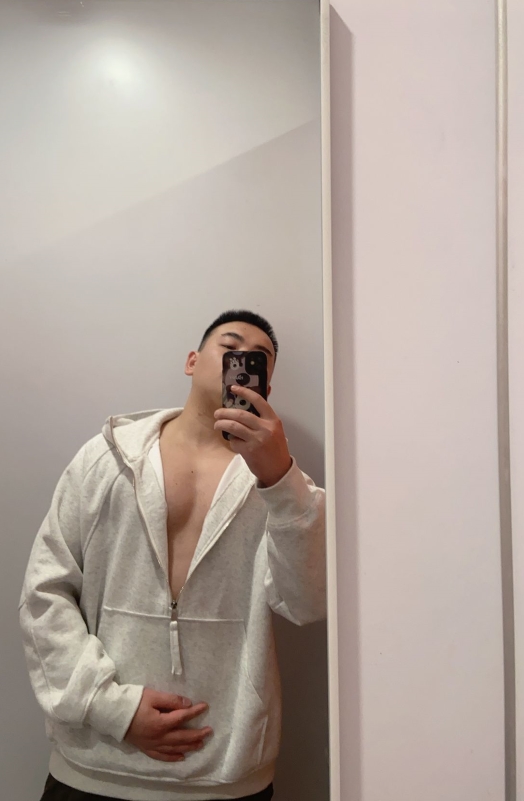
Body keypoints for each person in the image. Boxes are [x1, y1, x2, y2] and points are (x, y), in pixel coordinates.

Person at [19, 310, 327, 801]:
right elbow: (44, 593)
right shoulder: (106, 460)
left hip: (226, 772)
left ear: (266, 384)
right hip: (95, 766)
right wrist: (110, 707)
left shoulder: (282, 486)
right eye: (229, 346)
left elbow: (308, 602)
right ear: (192, 361)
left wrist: (280, 479)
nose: (240, 360)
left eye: (258, 359)